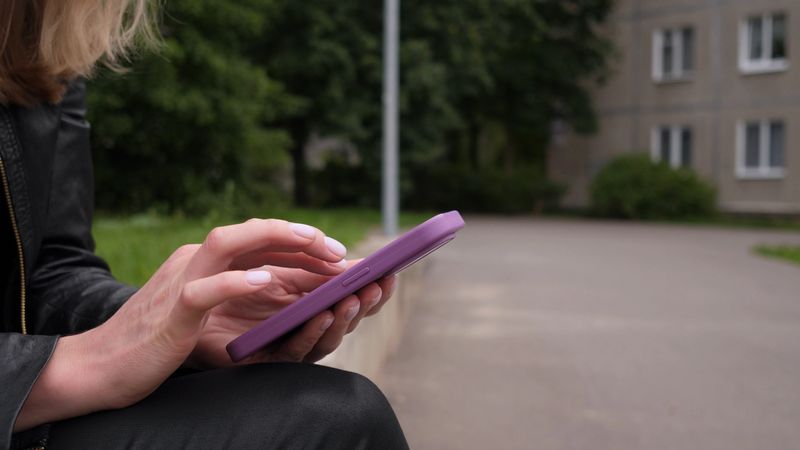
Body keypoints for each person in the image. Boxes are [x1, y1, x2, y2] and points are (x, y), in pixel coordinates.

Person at [0, 1, 408, 448]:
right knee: (334, 423)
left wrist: (182, 326)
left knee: (339, 410)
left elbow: (50, 269)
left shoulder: (40, 37)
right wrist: (71, 366)